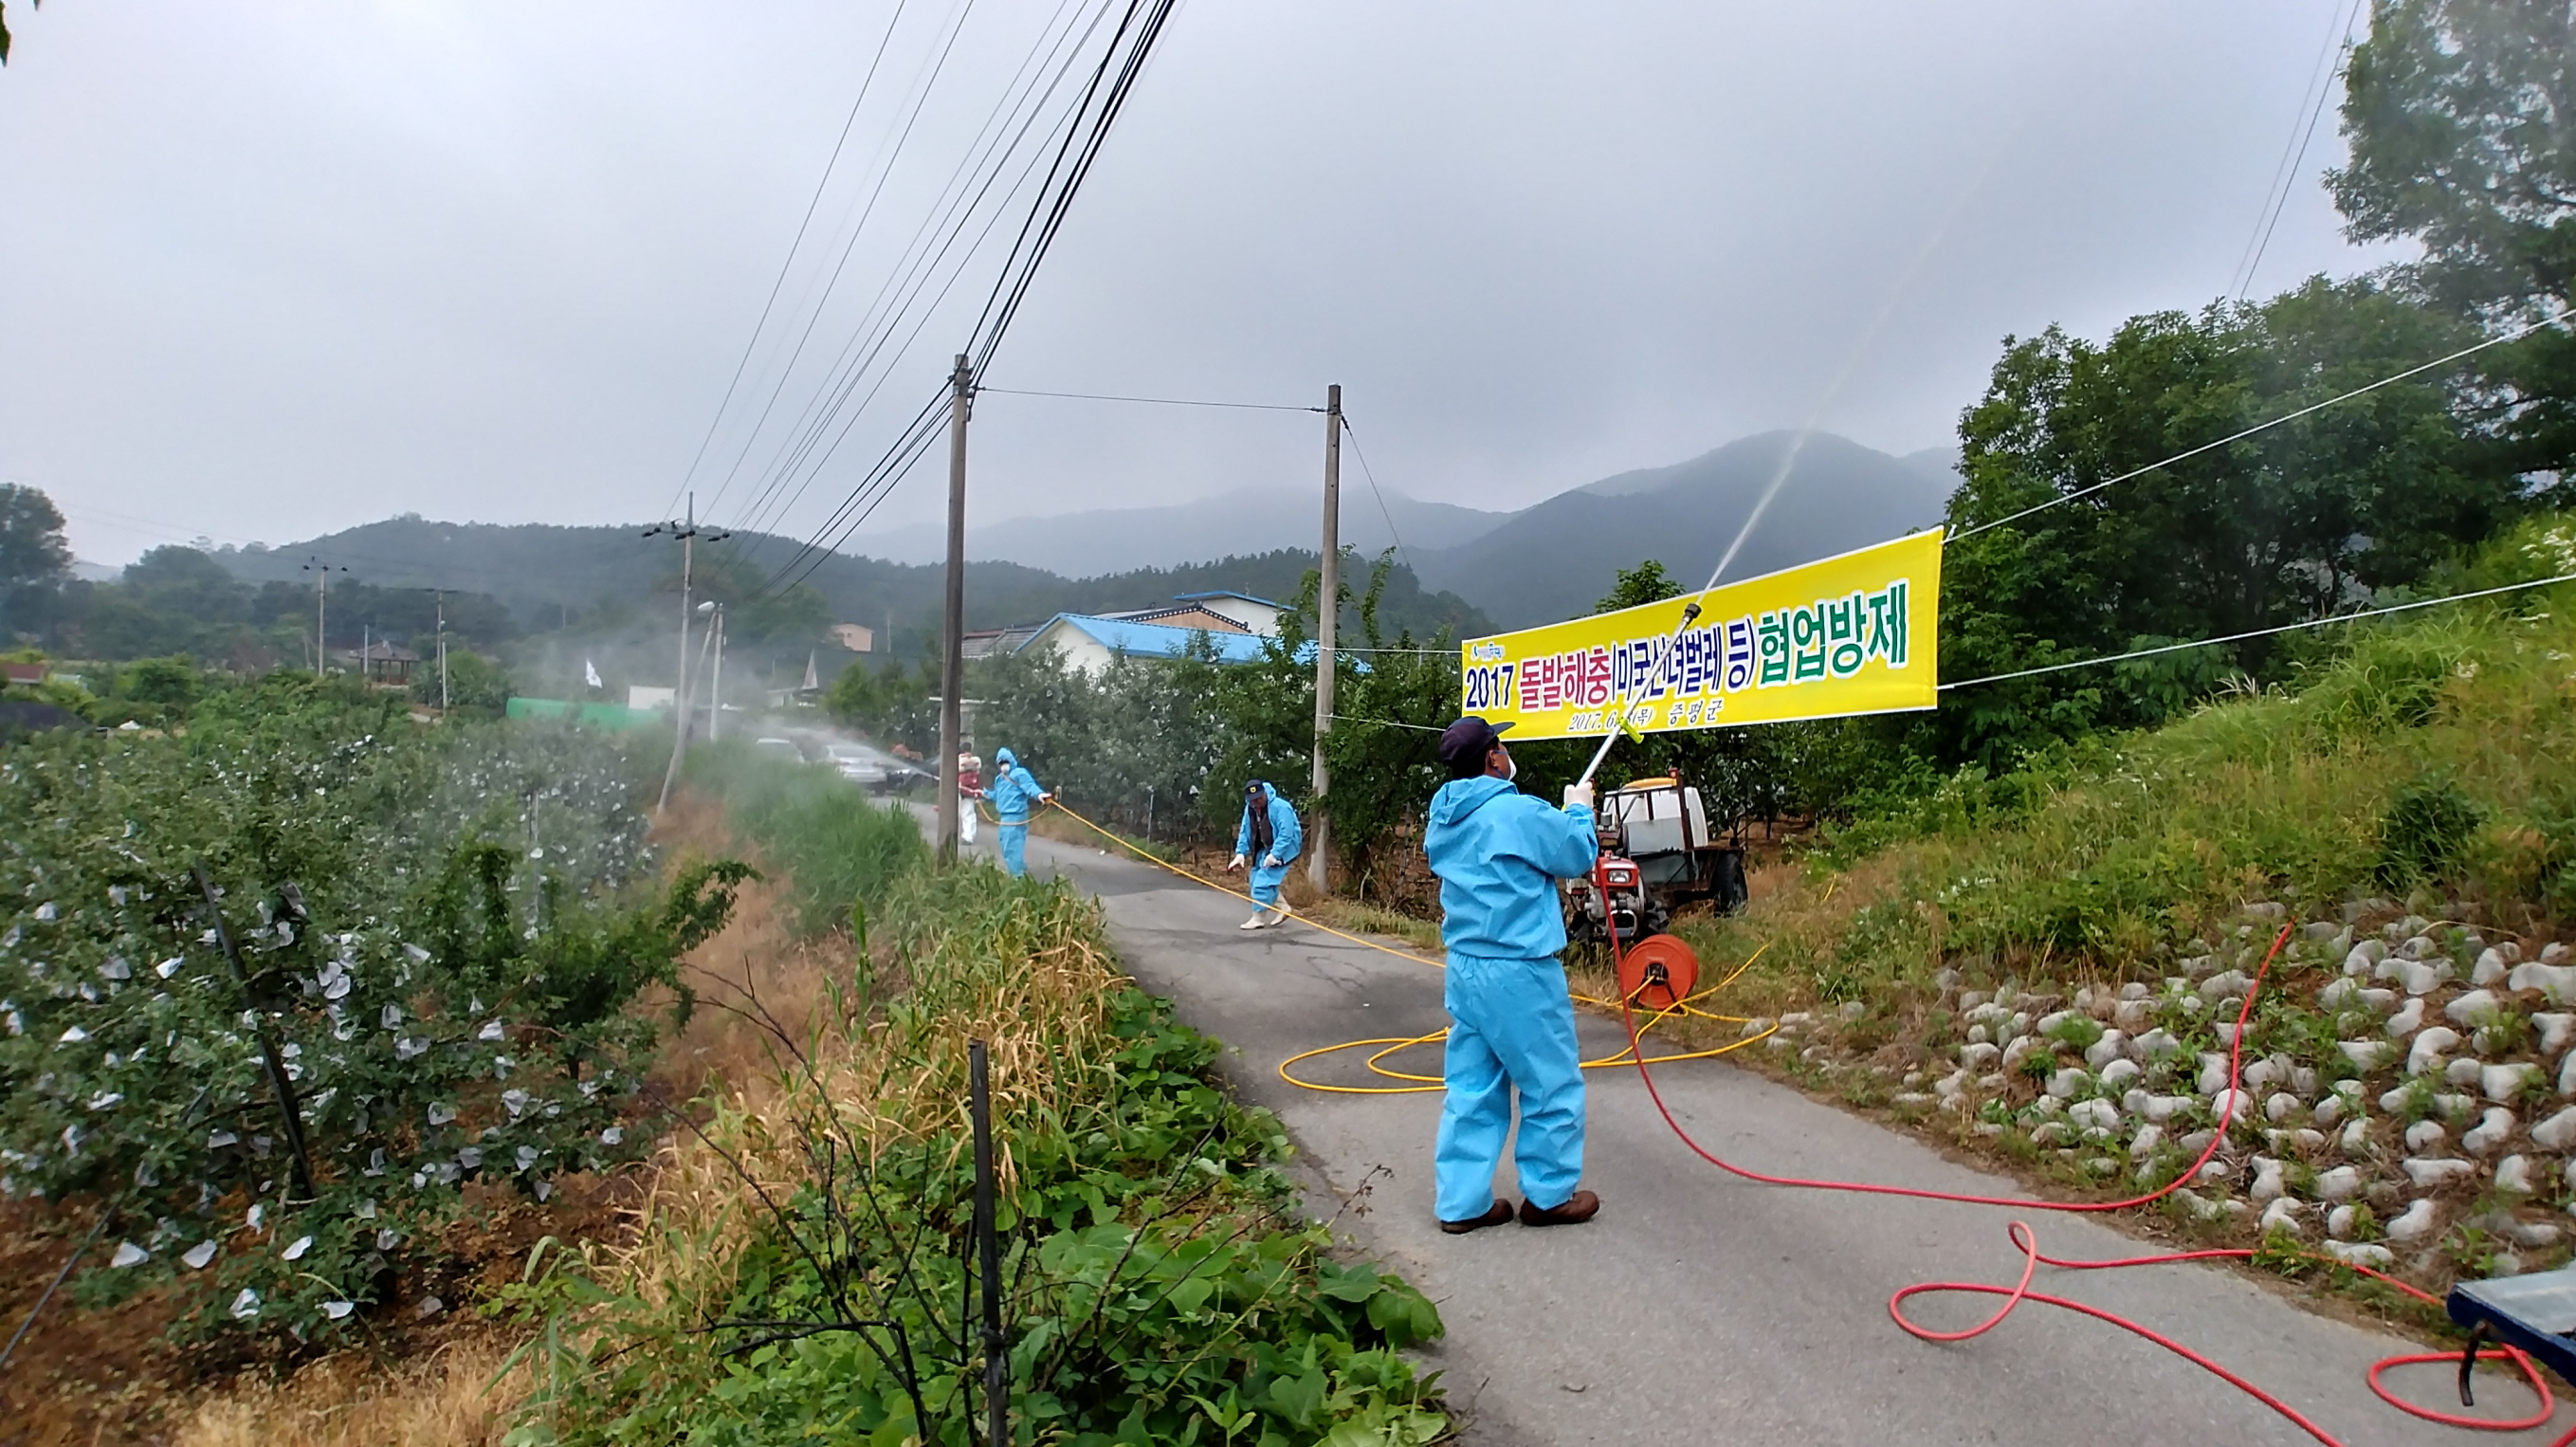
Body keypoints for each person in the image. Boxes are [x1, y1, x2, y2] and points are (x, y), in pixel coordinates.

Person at [1423, 715, 1600, 1235]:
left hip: (1466, 967)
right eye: (1500, 747)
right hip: (1518, 968)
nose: (1505, 753)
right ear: (1491, 758)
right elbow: (1575, 855)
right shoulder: (1516, 811)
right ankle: (1549, 1195)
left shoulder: (1444, 815)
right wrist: (1579, 810)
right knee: (1550, 1081)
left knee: (1472, 1085)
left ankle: (1462, 1204)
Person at [1226, 779, 1303, 929]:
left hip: (1284, 849)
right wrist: (1240, 853)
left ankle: (1258, 918)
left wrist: (1275, 855)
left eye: (1260, 798)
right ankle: (1284, 907)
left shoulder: (1281, 807)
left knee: (1262, 884)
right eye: (1253, 800)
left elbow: (1286, 834)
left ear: (1265, 793)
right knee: (1256, 881)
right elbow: (1245, 831)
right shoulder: (1250, 808)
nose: (1257, 802)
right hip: (1264, 848)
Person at [986, 746, 1050, 878]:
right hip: (1005, 817)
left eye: (1006, 761)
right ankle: (1019, 870)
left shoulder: (1019, 773)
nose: (1004, 765)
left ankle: (1017, 878)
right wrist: (984, 793)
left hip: (1015, 816)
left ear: (1011, 760)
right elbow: (997, 796)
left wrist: (1040, 795)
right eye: (1001, 762)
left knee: (1011, 847)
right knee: (1008, 846)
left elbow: (1030, 786)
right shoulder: (1000, 778)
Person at [957, 752, 984, 847]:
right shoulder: (974, 772)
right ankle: (968, 835)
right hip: (964, 795)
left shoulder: (968, 773)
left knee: (968, 815)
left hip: (967, 795)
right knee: (966, 815)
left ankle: (968, 836)